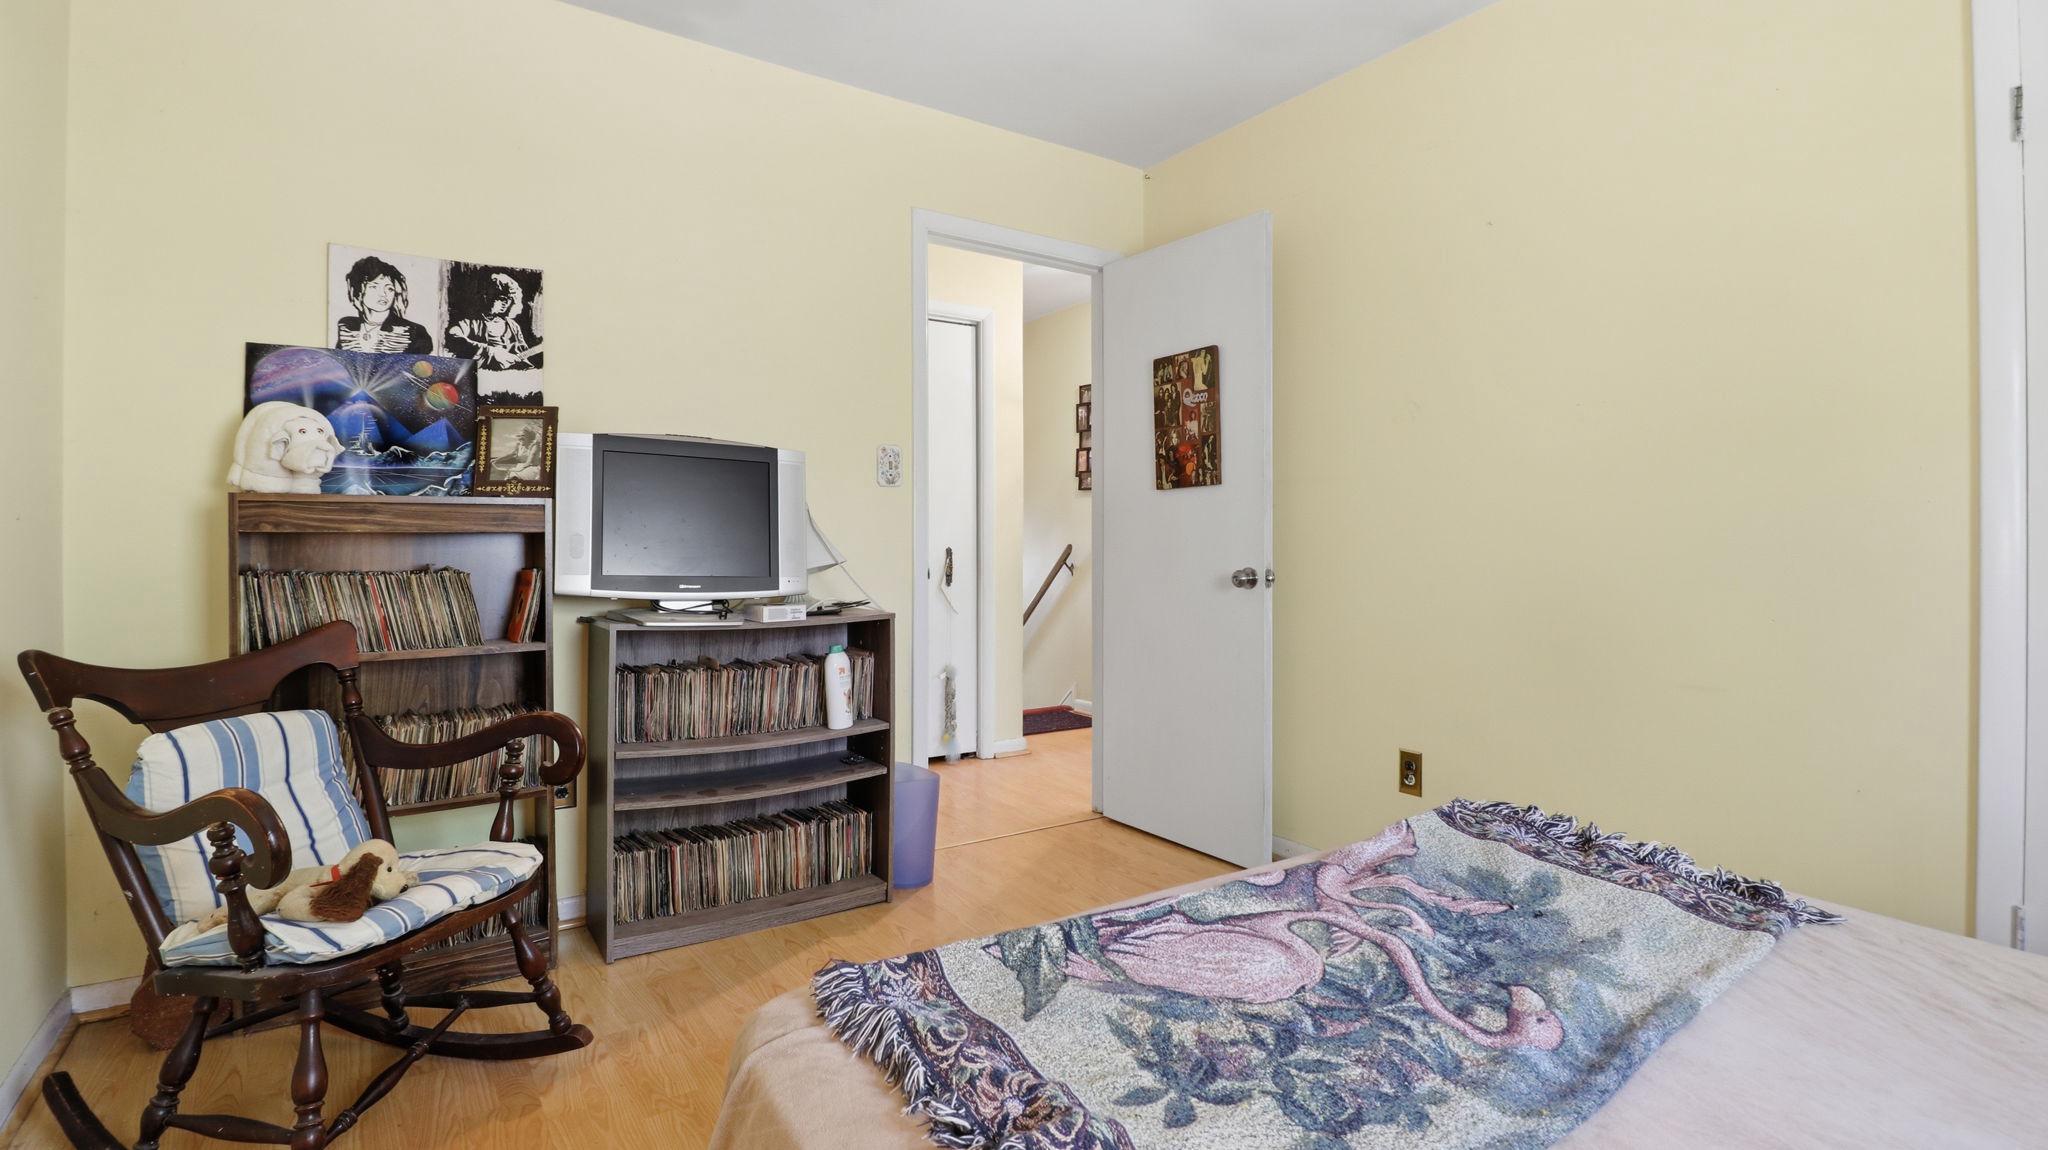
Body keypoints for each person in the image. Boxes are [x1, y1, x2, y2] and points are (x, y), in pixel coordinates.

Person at [335, 256, 433, 354]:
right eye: (374, 286)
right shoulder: (346, 326)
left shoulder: (413, 332)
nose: (383, 294)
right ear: (358, 290)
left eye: (389, 288)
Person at [446, 272, 541, 370]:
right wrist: (489, 351)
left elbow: (521, 352)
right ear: (487, 296)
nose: (506, 303)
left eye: (509, 299)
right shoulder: (473, 323)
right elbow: (453, 335)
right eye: (501, 298)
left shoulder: (513, 326)